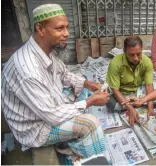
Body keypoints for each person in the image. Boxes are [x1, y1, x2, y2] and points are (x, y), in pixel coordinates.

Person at [1, 4, 110, 158]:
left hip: (45, 107)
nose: (67, 34)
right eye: (60, 28)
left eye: (67, 27)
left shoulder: (48, 50)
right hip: (35, 127)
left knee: (83, 87)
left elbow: (65, 75)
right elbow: (51, 116)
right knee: (90, 124)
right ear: (40, 29)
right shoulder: (28, 70)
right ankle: (87, 158)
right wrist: (90, 102)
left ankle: (71, 141)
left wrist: (88, 84)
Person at [106, 36, 154, 126]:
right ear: (124, 52)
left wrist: (150, 109)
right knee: (109, 102)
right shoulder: (115, 63)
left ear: (142, 49)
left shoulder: (147, 62)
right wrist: (129, 108)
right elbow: (115, 90)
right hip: (122, 94)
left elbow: (148, 85)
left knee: (154, 92)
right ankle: (136, 104)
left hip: (138, 93)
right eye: (131, 55)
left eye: (138, 54)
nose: (136, 58)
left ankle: (138, 103)